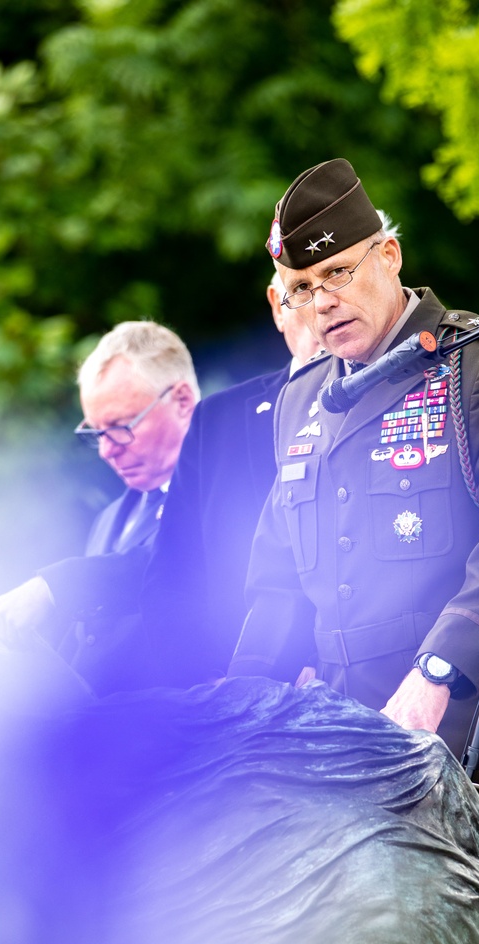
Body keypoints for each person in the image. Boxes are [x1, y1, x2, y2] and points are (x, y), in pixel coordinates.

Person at [227, 157, 479, 806]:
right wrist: (242, 701)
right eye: (301, 287)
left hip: (460, 728)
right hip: (335, 741)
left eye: (337, 272)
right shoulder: (302, 398)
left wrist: (436, 675)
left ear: (389, 255)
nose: (322, 300)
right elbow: (277, 581)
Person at [0, 320, 198, 697]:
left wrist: (57, 585)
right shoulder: (110, 518)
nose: (106, 450)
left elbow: (171, 565)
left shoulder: (223, 489)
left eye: (120, 426)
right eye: (96, 432)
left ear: (182, 401)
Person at [140, 270, 323, 687]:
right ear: (278, 306)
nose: (321, 310)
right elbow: (171, 576)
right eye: (301, 292)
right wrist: (202, 687)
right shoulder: (216, 421)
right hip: (226, 697)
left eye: (337, 280)